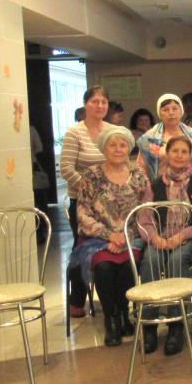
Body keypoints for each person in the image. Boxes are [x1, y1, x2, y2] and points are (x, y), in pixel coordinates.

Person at [71, 126, 149, 346]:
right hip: (97, 238)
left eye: (122, 145)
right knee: (104, 267)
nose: (117, 149)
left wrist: (125, 236)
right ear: (103, 148)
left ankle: (124, 313)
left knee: (128, 265)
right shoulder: (92, 175)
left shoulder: (139, 177)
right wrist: (109, 235)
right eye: (112, 145)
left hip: (130, 236)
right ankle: (111, 319)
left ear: (129, 148)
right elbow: (82, 213)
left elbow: (146, 213)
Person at [137, 135, 192, 356]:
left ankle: (176, 324)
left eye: (184, 151)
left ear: (191, 156)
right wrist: (155, 238)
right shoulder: (155, 185)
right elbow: (145, 218)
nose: (179, 155)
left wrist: (182, 236)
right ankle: (149, 324)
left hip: (189, 238)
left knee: (177, 260)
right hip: (159, 238)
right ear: (167, 155)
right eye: (174, 151)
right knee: (150, 259)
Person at [60, 85, 112, 317]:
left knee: (109, 246)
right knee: (82, 246)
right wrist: (90, 189)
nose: (99, 106)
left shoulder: (112, 131)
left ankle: (112, 297)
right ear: (85, 104)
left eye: (103, 102)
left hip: (109, 202)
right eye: (94, 101)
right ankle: (77, 299)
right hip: (82, 202)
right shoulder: (75, 133)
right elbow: (66, 168)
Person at [135, 93, 192, 180]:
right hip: (161, 186)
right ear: (159, 113)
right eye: (165, 110)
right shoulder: (148, 139)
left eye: (175, 109)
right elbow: (142, 169)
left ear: (181, 111)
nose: (171, 113)